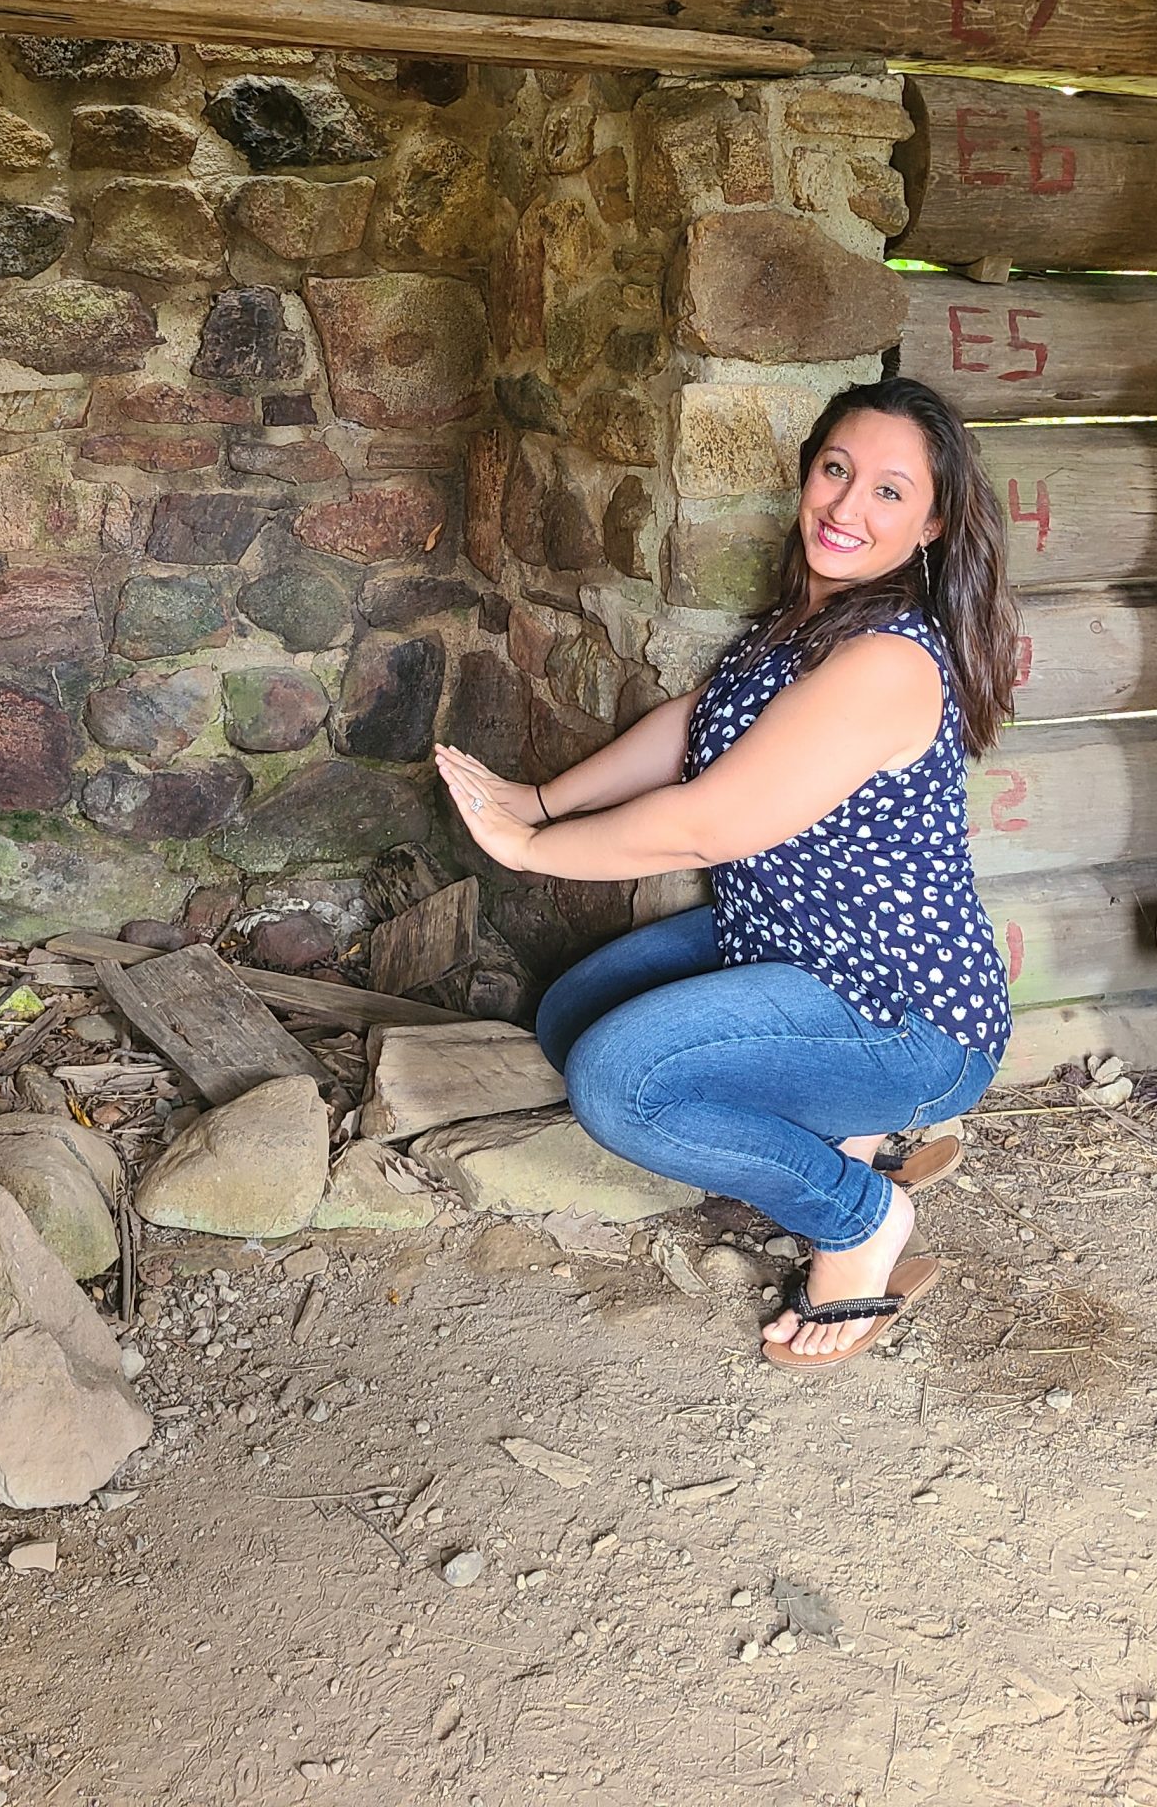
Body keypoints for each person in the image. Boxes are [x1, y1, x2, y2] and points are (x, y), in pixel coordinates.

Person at [436, 372, 1022, 1374]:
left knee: (616, 1081)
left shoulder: (886, 659)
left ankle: (858, 1215)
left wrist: (530, 850)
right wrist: (540, 800)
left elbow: (707, 825)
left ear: (931, 524)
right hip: (792, 941)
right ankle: (851, 1129)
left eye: (888, 490)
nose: (845, 504)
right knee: (572, 1010)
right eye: (836, 470)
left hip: (902, 1013)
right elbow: (689, 727)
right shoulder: (808, 618)